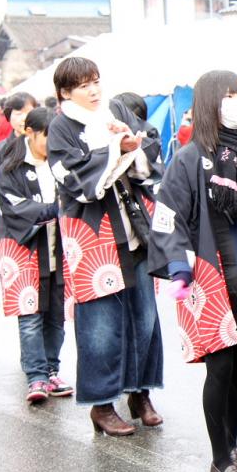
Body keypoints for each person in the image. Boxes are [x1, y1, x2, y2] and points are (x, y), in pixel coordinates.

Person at [149, 70, 237, 472]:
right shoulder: (190, 158)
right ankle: (220, 459)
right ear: (208, 103)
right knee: (220, 368)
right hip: (212, 276)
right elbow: (167, 217)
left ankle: (232, 441)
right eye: (228, 96)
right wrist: (178, 268)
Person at [47, 57, 164, 436]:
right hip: (93, 236)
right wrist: (116, 148)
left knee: (144, 318)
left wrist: (132, 144)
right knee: (101, 324)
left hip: (133, 228)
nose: (94, 90)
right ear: (65, 91)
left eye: (96, 81)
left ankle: (140, 392)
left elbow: (150, 145)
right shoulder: (60, 127)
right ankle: (102, 404)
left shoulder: (116, 109)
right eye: (83, 85)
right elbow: (74, 178)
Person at [0, 108, 74, 402]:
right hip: (24, 250)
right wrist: (57, 209)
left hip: (59, 250)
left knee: (56, 315)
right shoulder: (12, 168)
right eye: (47, 135)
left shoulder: (62, 163)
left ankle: (52, 370)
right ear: (30, 132)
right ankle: (36, 376)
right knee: (30, 316)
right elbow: (14, 208)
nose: (52, 142)